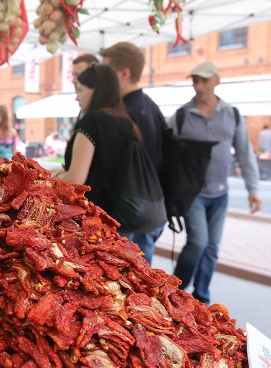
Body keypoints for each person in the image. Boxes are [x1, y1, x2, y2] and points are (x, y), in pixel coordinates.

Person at [169, 61, 261, 304]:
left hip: (221, 194)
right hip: (193, 194)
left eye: (204, 80)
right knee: (199, 242)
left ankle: (201, 299)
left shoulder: (231, 114)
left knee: (212, 248)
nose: (199, 86)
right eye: (195, 81)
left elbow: (244, 153)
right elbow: (164, 151)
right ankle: (174, 293)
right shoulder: (181, 116)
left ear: (217, 80)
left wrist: (253, 190)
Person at [100, 41, 168, 264]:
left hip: (127, 214)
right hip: (152, 209)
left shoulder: (121, 112)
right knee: (143, 278)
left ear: (124, 73)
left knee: (126, 283)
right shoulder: (151, 106)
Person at [55, 64, 143, 225]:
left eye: (80, 90)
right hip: (123, 212)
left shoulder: (91, 122)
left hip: (96, 217)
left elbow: (75, 178)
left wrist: (52, 177)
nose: (77, 97)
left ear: (96, 91)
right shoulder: (126, 121)